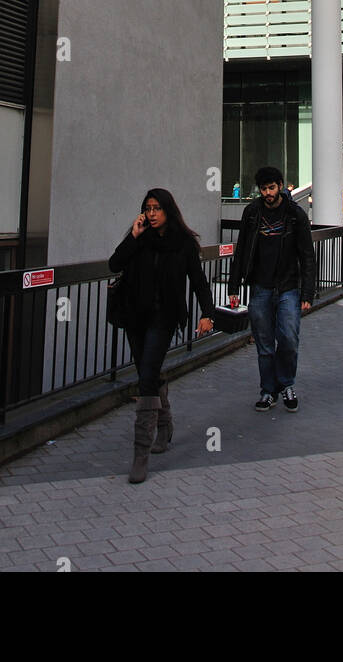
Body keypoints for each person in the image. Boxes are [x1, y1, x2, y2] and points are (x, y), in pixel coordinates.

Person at [109, 188, 215, 483]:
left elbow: (199, 282)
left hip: (164, 318)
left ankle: (140, 455)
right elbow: (114, 264)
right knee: (149, 374)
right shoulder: (138, 238)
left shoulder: (183, 244)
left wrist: (208, 314)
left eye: (157, 208)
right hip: (135, 316)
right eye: (148, 208)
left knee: (145, 379)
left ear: (169, 210)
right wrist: (132, 236)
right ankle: (165, 425)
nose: (152, 213)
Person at [228, 165, 316, 411]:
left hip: (288, 286)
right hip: (260, 287)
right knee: (264, 343)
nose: (268, 193)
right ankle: (268, 390)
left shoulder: (295, 215)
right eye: (264, 189)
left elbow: (307, 255)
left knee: (288, 338)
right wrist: (233, 286)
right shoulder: (252, 213)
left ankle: (286, 384)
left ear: (280, 186)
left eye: (272, 188)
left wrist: (307, 292)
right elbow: (242, 250)